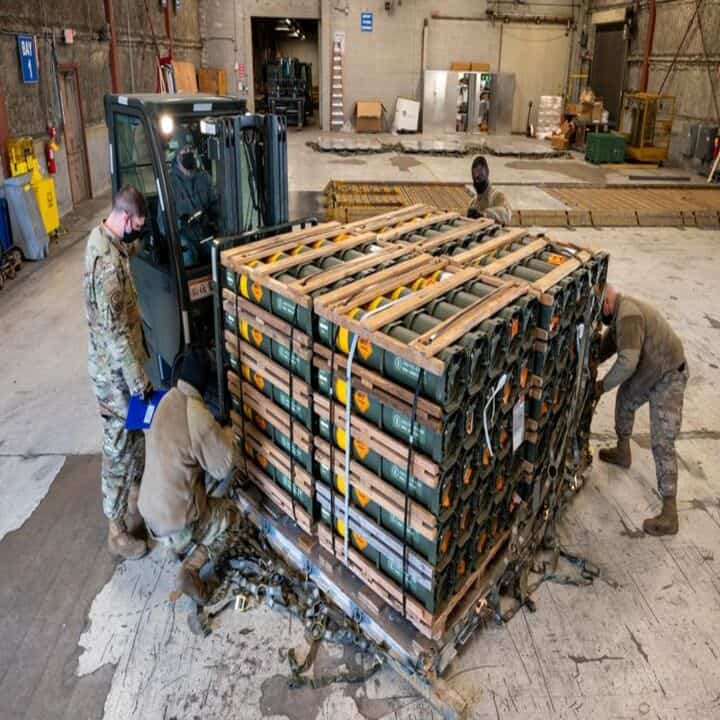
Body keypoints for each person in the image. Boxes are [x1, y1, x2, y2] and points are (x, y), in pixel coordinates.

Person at [138, 350, 242, 603]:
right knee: (234, 518)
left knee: (191, 476)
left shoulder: (163, 400)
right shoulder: (196, 415)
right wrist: (230, 435)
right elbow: (223, 467)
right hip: (177, 523)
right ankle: (191, 568)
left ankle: (178, 545)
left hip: (149, 514)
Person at [84, 185, 151, 560]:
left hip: (123, 369)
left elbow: (127, 249)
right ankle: (116, 529)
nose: (137, 232)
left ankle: (136, 496)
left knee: (135, 440)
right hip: (114, 378)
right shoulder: (106, 266)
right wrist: (138, 380)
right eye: (136, 226)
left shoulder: (107, 240)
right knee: (117, 450)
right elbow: (115, 336)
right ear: (124, 218)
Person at [594, 285, 688, 536]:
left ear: (606, 305)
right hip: (651, 370)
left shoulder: (628, 316)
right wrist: (590, 361)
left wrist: (601, 386)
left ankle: (670, 514)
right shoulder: (619, 315)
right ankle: (623, 451)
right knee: (625, 399)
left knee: (662, 439)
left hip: (668, 375)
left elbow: (627, 363)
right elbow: (609, 345)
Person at [164, 130, 219, 266]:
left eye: (190, 149)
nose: (188, 153)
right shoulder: (169, 183)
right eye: (184, 150)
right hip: (184, 236)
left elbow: (216, 203)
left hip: (204, 232)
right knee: (188, 255)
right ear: (177, 155)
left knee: (221, 249)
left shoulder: (204, 177)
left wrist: (212, 216)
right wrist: (179, 225)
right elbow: (162, 221)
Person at [466, 155, 511, 225]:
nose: (478, 180)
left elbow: (506, 215)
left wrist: (483, 214)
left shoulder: (497, 196)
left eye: (480, 175)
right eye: (475, 178)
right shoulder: (473, 203)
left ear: (487, 173)